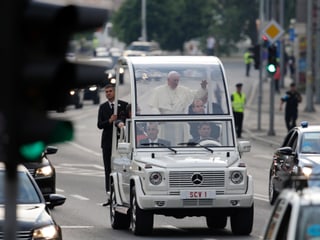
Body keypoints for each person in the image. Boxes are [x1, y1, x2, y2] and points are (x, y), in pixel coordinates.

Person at [97, 84, 128, 206]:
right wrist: (109, 121)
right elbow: (99, 125)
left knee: (121, 168)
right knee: (108, 169)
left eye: (110, 91)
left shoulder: (123, 105)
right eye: (106, 92)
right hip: (107, 142)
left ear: (115, 92)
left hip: (121, 142)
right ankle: (109, 195)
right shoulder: (103, 107)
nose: (108, 93)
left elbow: (127, 119)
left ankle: (122, 195)